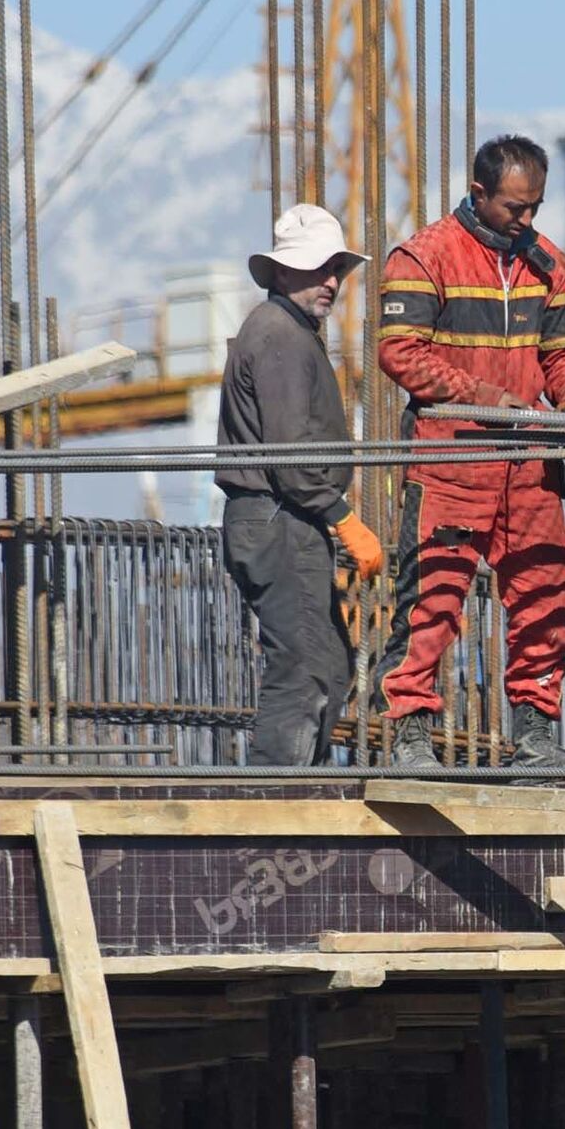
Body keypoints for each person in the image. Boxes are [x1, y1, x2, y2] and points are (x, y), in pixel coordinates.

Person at [375, 134, 565, 770]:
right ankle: (410, 736)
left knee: (543, 593)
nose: (526, 220)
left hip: (529, 464)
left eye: (534, 208)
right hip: (453, 460)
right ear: (478, 194)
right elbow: (401, 352)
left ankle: (535, 736)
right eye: (514, 208)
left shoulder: (547, 262)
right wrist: (487, 399)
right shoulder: (424, 257)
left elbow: (562, 353)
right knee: (433, 597)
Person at [217, 204, 384, 765]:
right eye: (319, 269)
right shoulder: (280, 335)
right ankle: (273, 809)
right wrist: (344, 518)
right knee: (306, 667)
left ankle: (289, 794)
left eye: (335, 269)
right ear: (283, 272)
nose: (332, 282)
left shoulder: (285, 330)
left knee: (325, 662)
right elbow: (290, 457)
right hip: (280, 518)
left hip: (282, 518)